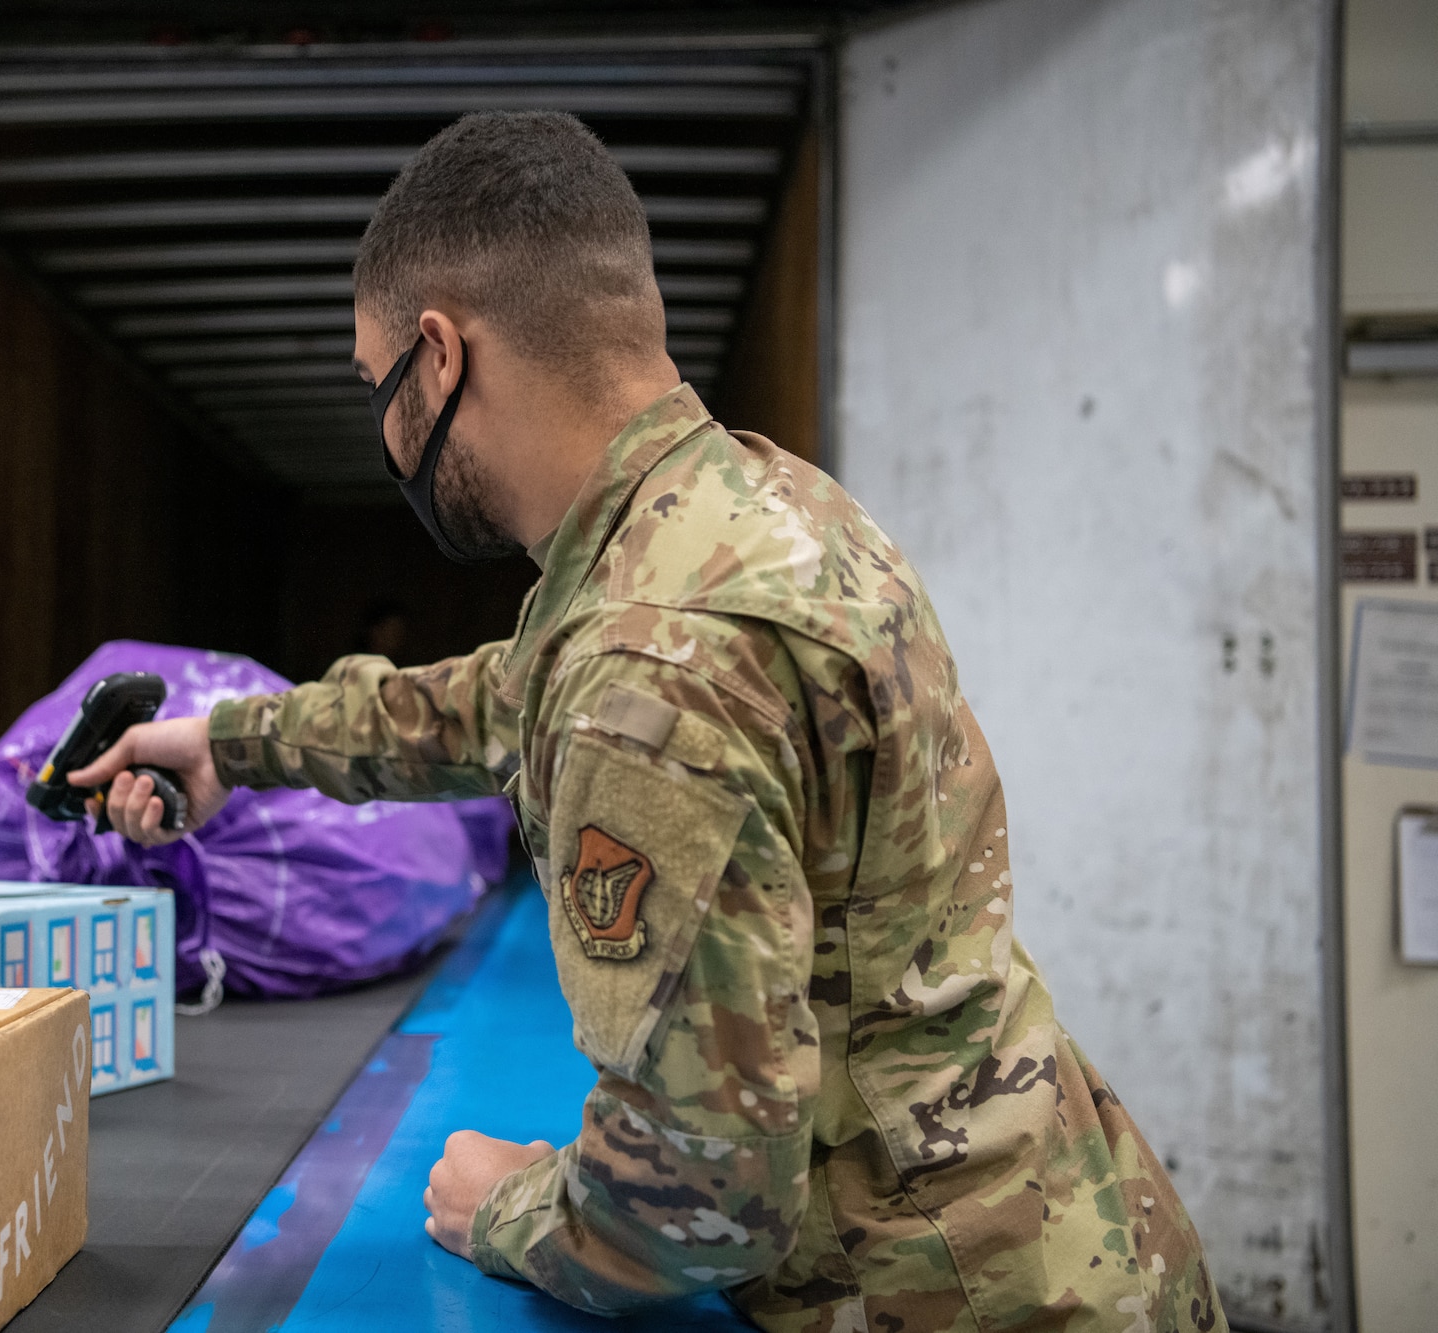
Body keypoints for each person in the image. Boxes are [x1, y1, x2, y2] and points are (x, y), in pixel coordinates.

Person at [71, 111, 1226, 1331]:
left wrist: (509, 1204)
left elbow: (699, 1197)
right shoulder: (762, 508)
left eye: (377, 390)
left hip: (942, 1297)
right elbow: (486, 699)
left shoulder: (649, 664)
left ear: (439, 355)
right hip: (1068, 1226)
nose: (384, 437)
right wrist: (227, 744)